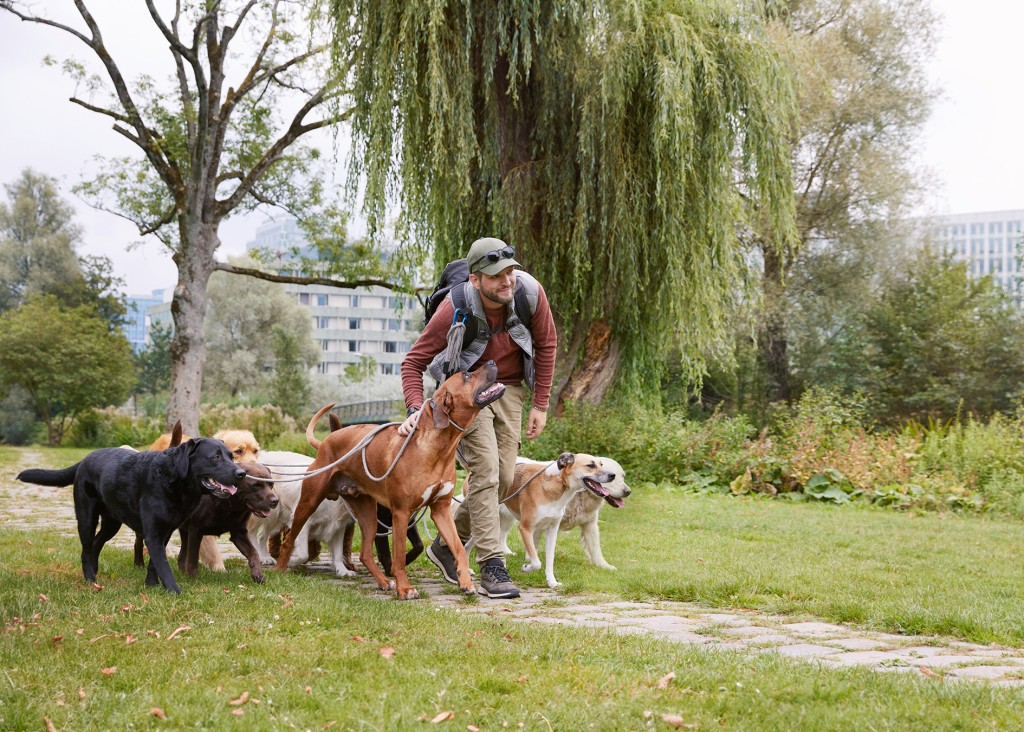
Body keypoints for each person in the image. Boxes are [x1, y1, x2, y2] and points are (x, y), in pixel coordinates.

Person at [398, 237, 557, 598]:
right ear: (475, 280)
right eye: (496, 276)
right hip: (470, 395)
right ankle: (491, 565)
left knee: (502, 478)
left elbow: (546, 344)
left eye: (510, 272)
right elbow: (413, 362)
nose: (507, 281)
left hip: (510, 390)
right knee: (485, 471)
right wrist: (413, 409)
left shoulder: (530, 293)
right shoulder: (455, 306)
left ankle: (445, 544)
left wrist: (541, 403)